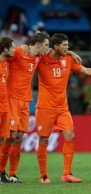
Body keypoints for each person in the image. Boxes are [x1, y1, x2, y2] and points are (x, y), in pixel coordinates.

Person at [36, 33, 91, 183]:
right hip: (45, 107)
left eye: (68, 45)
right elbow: (30, 52)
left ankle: (66, 174)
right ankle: (43, 176)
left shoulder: (68, 59)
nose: (67, 48)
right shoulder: (42, 58)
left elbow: (87, 71)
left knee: (70, 136)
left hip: (62, 107)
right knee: (43, 139)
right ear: (55, 46)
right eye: (64, 45)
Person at [0, 32, 49, 184]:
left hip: (25, 101)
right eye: (46, 45)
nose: (47, 49)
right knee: (10, 137)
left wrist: (72, 53)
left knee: (19, 138)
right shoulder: (19, 52)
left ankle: (12, 174)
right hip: (11, 99)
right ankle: (1, 172)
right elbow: (4, 55)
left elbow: (58, 52)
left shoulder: (39, 57)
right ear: (39, 44)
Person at [0, 36, 15, 183]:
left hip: (5, 107)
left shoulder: (5, 63)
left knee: (2, 139)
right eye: (12, 47)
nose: (14, 50)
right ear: (5, 49)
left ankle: (0, 173)